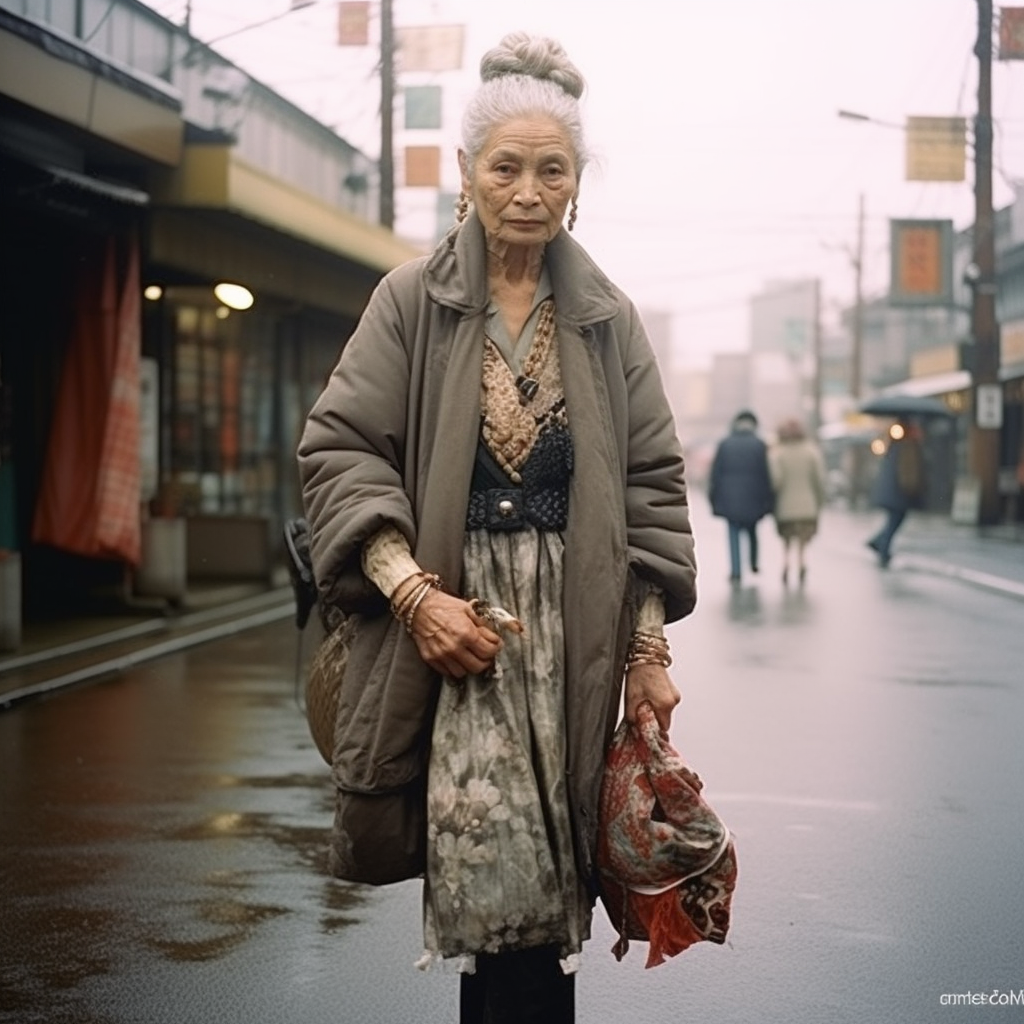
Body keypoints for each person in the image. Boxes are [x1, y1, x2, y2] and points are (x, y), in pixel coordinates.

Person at [297, 32, 697, 1023]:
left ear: (575, 184)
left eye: (550, 169)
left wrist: (645, 649)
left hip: (572, 634)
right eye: (506, 166)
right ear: (469, 174)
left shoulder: (605, 316)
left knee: (551, 888)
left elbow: (648, 484)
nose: (527, 189)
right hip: (456, 626)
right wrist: (414, 595)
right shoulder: (409, 300)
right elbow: (340, 450)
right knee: (491, 886)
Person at [708, 409, 774, 584]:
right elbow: (765, 474)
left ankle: (736, 570)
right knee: (752, 530)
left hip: (729, 497)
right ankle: (753, 562)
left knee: (733, 533)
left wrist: (713, 496)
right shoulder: (759, 444)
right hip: (753, 496)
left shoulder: (725, 444)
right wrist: (768, 499)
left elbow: (716, 473)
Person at [768, 417, 827, 586]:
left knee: (786, 539)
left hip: (785, 507)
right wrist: (820, 502)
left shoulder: (779, 453)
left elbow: (776, 480)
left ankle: (786, 562)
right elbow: (819, 479)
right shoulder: (811, 451)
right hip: (808, 505)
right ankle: (802, 562)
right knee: (802, 539)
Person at [866, 418, 925, 567]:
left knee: (893, 520)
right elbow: (908, 472)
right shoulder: (907, 446)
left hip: (891, 491)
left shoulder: (893, 444)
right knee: (895, 520)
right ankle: (882, 549)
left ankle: (878, 542)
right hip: (899, 492)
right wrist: (913, 488)